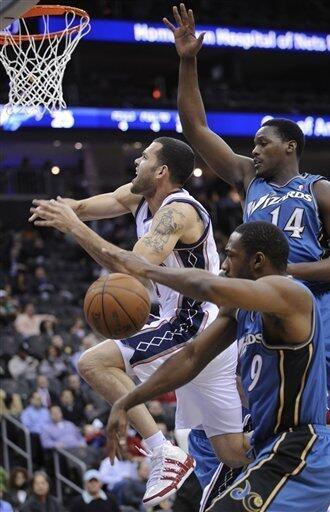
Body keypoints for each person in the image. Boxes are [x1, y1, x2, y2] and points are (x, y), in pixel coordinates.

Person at [163, 4, 330, 459]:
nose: (255, 149)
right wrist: (188, 61)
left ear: (290, 146)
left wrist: (287, 274)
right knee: (272, 414)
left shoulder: (321, 190)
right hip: (264, 306)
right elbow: (196, 127)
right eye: (253, 144)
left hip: (323, 302)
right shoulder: (250, 179)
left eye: (263, 142)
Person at [30, 136, 243, 501]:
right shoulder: (138, 198)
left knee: (93, 363)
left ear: (161, 171)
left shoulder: (179, 212)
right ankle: (312, 437)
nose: (136, 163)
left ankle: (164, 451)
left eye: (144, 158)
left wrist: (73, 226)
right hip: (202, 331)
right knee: (233, 451)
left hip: (196, 324)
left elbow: (132, 268)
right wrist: (60, 210)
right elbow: (87, 206)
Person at [103, 221, 330, 511]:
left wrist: (145, 269)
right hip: (270, 449)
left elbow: (205, 285)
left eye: (231, 255)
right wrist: (127, 401)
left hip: (303, 447)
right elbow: (191, 357)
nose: (224, 265)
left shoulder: (290, 294)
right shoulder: (240, 312)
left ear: (257, 261)